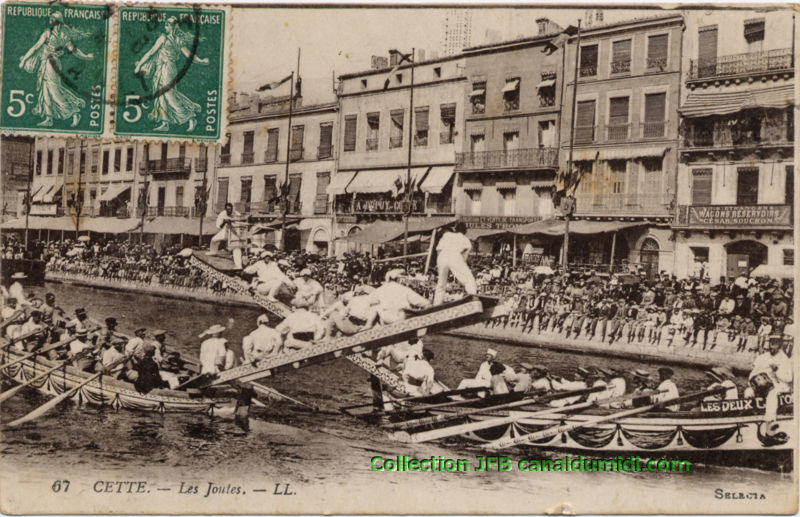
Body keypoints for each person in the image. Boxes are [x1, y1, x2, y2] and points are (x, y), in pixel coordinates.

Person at [18, 12, 94, 127]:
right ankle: (49, 118)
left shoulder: (64, 35)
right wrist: (24, 60)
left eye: (52, 19)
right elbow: (35, 47)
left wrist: (86, 57)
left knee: (54, 90)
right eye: (50, 19)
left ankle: (74, 112)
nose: (50, 21)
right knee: (45, 91)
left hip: (53, 64)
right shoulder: (47, 33)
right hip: (45, 63)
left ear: (58, 21)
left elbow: (73, 50)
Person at [133, 16, 207, 132]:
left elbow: (188, 55)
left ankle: (190, 117)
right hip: (159, 68)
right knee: (160, 94)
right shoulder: (163, 38)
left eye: (168, 25)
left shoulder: (177, 40)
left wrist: (200, 61)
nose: (166, 27)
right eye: (166, 25)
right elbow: (151, 52)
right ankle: (165, 122)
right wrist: (139, 65)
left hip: (169, 68)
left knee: (169, 94)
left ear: (174, 27)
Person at [748, 336, 793, 437]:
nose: (772, 345)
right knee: (748, 392)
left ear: (780, 345)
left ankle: (770, 422)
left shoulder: (785, 359)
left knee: (772, 394)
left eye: (775, 343)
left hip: (779, 384)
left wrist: (777, 371)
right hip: (761, 385)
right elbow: (752, 374)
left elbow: (789, 378)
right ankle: (747, 420)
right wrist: (752, 384)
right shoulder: (762, 357)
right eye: (771, 343)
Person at [433, 222, 478, 305]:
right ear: (465, 231)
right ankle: (473, 297)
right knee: (469, 279)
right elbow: (464, 258)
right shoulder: (466, 239)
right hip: (455, 256)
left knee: (441, 283)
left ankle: (437, 303)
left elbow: (438, 250)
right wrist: (459, 267)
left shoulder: (447, 235)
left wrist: (440, 264)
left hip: (442, 256)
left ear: (455, 230)